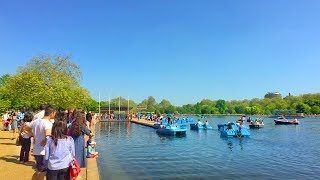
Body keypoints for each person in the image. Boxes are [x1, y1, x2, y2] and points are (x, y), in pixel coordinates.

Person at [24, 105, 57, 172]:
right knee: (43, 172)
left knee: (39, 170)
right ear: (52, 113)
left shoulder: (36, 121)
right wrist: (45, 140)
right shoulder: (48, 123)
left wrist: (34, 136)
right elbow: (48, 135)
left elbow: (25, 129)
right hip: (44, 151)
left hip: (36, 150)